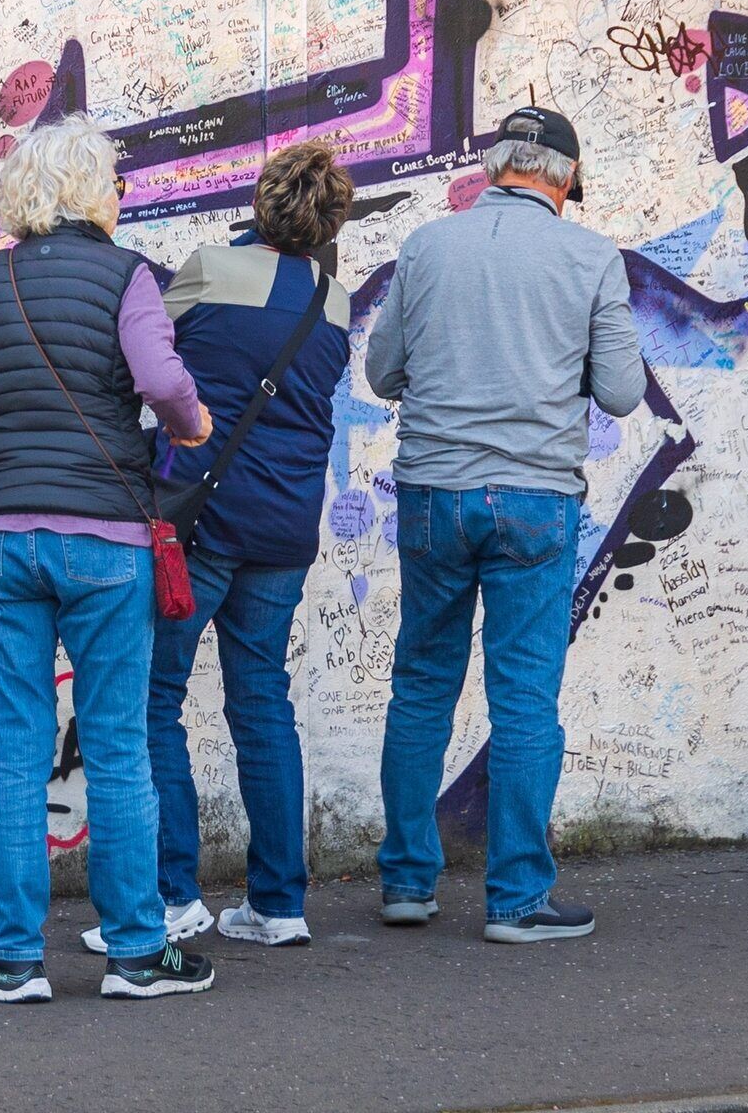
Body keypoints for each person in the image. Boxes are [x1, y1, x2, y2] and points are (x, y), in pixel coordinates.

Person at [0, 117, 218, 1003]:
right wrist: (191, 425)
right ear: (95, 192)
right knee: (118, 748)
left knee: (15, 747)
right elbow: (161, 384)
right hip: (105, 542)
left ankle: (10, 959)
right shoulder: (128, 278)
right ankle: (135, 953)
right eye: (114, 182)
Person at [358, 105, 643, 942]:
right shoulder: (591, 258)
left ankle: (407, 883)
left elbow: (381, 373)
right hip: (535, 500)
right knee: (524, 700)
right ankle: (517, 900)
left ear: (494, 169)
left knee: (420, 687)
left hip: (432, 495)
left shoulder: (426, 246)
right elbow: (622, 393)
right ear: (563, 180)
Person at [101, 141, 356, 955]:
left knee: (154, 700)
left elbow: (142, 359)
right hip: (285, 531)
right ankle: (279, 904)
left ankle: (174, 897)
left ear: (261, 201)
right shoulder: (334, 299)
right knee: (262, 704)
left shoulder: (209, 269)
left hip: (201, 522)